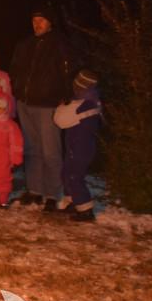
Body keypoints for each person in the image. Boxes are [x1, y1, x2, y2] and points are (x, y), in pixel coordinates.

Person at [9, 10, 76, 210]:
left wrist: (64, 96)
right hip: (25, 103)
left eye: (41, 20)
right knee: (32, 150)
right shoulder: (25, 44)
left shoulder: (59, 43)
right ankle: (35, 191)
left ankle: (51, 195)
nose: (37, 24)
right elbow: (15, 68)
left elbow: (68, 70)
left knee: (50, 151)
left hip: (48, 104)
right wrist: (17, 89)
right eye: (34, 20)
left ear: (50, 23)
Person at [54, 70, 102, 222]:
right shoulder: (88, 101)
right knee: (67, 173)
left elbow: (60, 120)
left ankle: (85, 210)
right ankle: (73, 202)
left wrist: (61, 107)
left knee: (74, 176)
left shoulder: (83, 105)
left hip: (80, 148)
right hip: (77, 147)